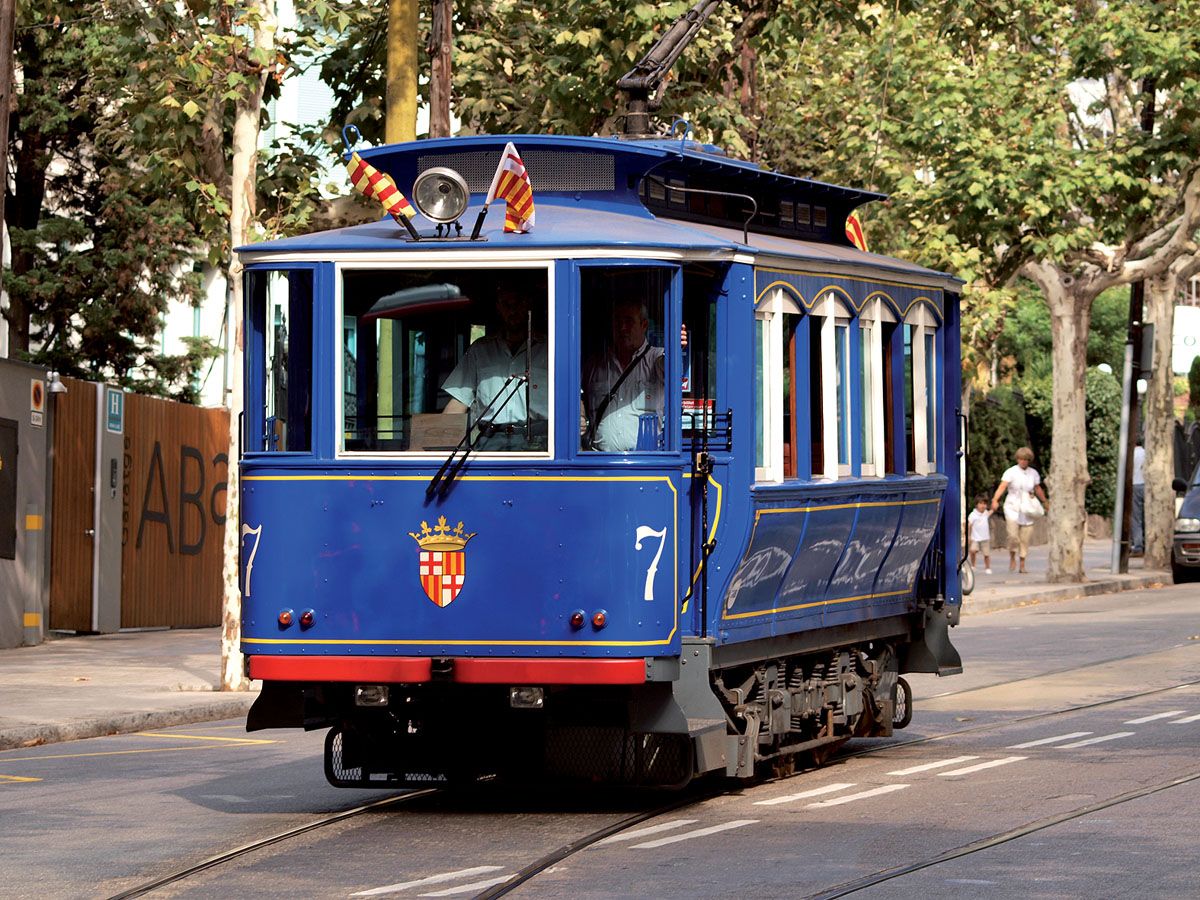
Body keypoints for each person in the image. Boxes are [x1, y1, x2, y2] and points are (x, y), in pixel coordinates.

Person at [441, 283, 548, 451]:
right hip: (491, 442)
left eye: (518, 303)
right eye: (506, 304)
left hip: (539, 443)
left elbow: (572, 398)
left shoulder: (550, 348)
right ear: (498, 307)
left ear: (528, 304)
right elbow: (459, 401)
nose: (512, 310)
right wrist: (434, 441)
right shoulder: (480, 350)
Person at [582, 297, 666, 452]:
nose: (622, 328)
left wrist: (677, 348)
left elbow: (670, 368)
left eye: (628, 321)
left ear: (644, 325)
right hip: (599, 463)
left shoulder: (656, 358)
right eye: (617, 322)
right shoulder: (594, 365)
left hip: (647, 464)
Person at [991, 446, 1049, 574]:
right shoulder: (1011, 472)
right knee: (1013, 536)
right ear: (1017, 459)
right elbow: (1003, 486)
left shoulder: (1033, 473)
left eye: (1026, 460)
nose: (1023, 462)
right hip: (1012, 507)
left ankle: (1022, 564)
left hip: (1028, 509)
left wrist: (1045, 501)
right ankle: (1012, 556)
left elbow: (1037, 488)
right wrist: (995, 499)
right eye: (1021, 459)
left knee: (1025, 538)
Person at [967, 495, 993, 575]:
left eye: (985, 504)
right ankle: (973, 565)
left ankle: (987, 567)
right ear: (976, 504)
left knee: (986, 554)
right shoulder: (973, 514)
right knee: (973, 551)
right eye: (981, 503)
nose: (983, 505)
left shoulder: (985, 513)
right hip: (975, 537)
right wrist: (969, 536)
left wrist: (994, 506)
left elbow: (991, 511)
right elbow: (969, 525)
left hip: (985, 537)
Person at [1131, 443, 1145, 556]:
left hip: (1135, 484)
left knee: (1136, 517)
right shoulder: (1146, 453)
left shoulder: (1132, 454)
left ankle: (1137, 545)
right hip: (1147, 485)